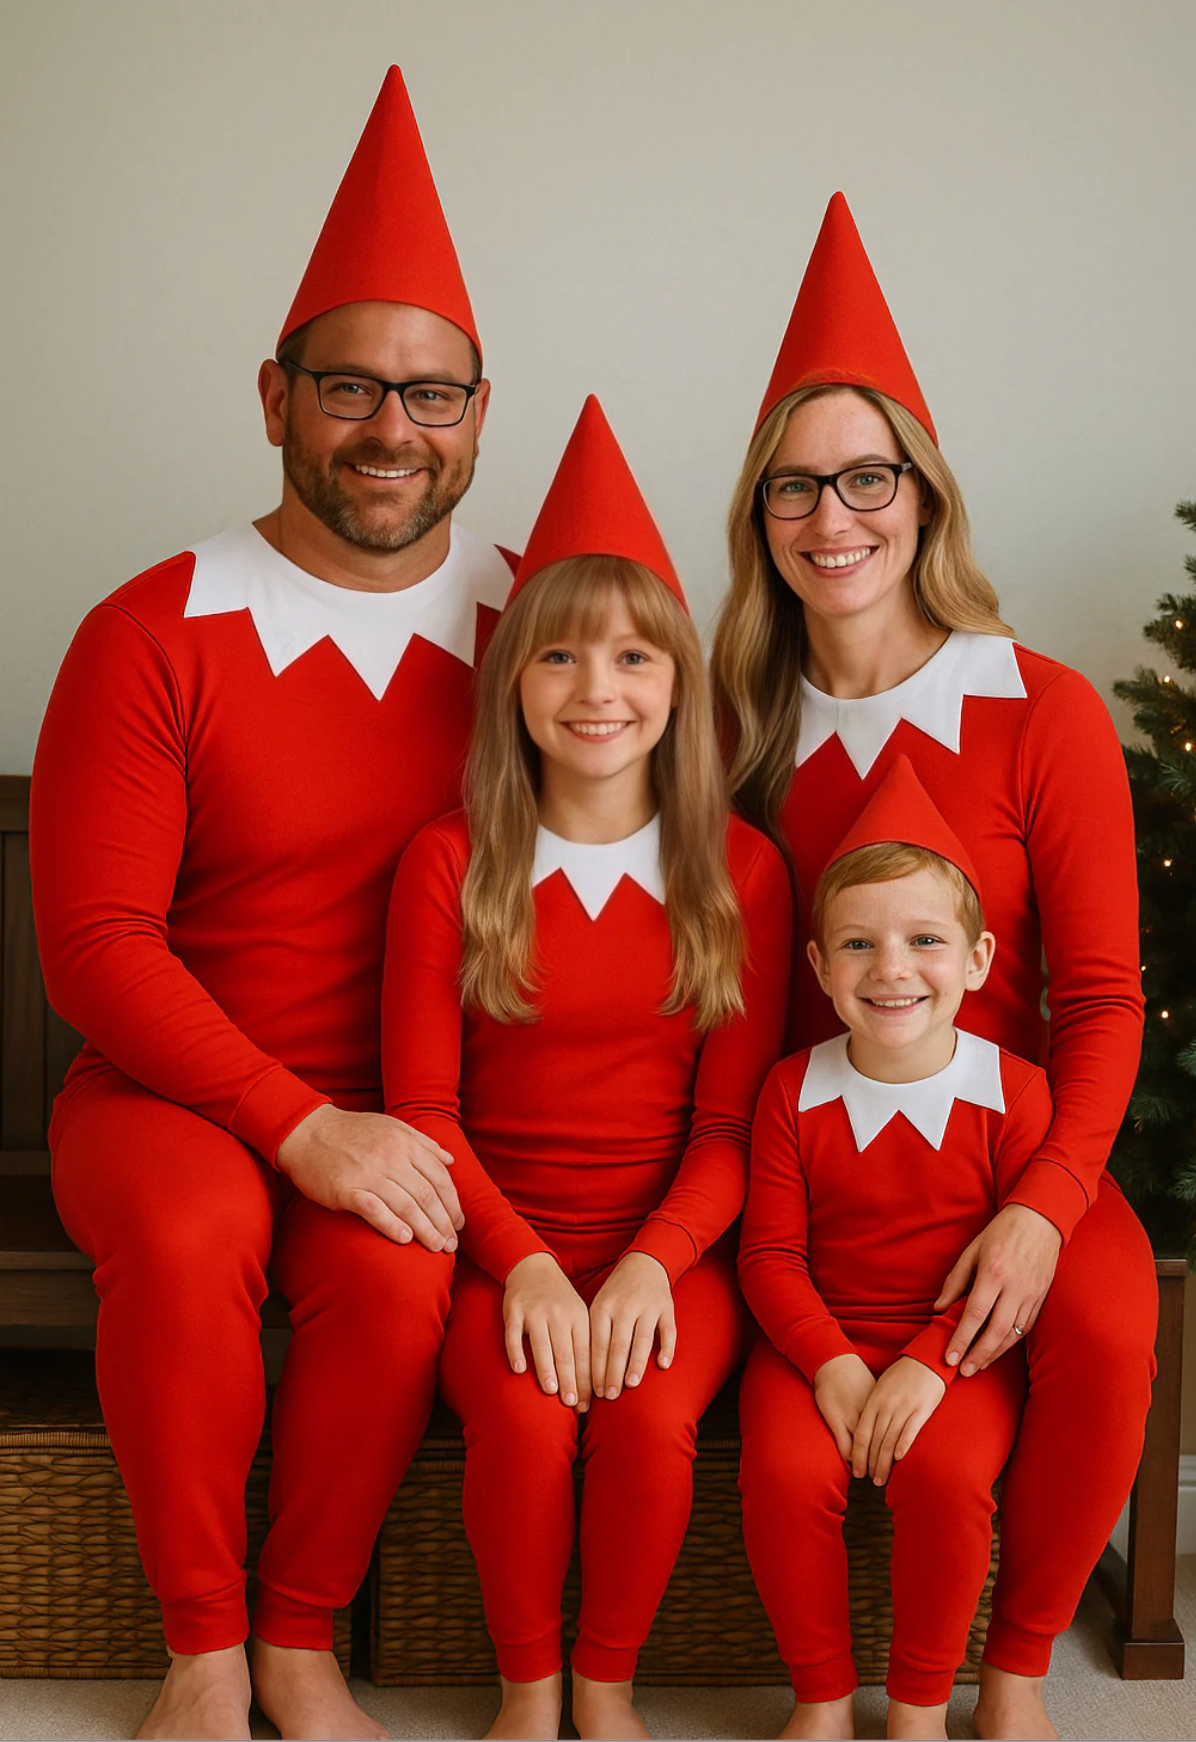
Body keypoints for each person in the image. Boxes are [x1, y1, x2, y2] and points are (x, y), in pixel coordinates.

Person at [29, 68, 515, 1742]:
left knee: (393, 1276)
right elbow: (93, 943)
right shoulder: (149, 629)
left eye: (430, 394)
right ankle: (204, 1645)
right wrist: (294, 1122)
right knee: (189, 1233)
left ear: (476, 411)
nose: (391, 429)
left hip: (415, 1106)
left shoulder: (551, 635)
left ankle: (301, 1637)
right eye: (349, 388)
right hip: (173, 1092)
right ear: (273, 397)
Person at [710, 193, 1158, 1742]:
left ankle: (1014, 1668)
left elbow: (1100, 997)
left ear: (922, 493)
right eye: (792, 488)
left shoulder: (1039, 709)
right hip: (813, 1154)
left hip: (1018, 1137)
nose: (831, 519)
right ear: (755, 515)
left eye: (864, 478)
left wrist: (1042, 1208)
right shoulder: (731, 725)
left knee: (1101, 1318)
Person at [382, 396, 791, 1742]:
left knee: (644, 1414)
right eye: (557, 656)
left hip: (673, 1246)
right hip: (498, 1242)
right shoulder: (451, 861)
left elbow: (732, 1123)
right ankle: (528, 1689)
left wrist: (647, 1263)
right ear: (512, 683)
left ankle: (605, 1688)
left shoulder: (738, 869)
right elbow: (424, 1110)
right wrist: (528, 1260)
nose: (596, 690)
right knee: (522, 1419)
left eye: (629, 657)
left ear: (676, 680)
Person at [739, 758, 1048, 1741]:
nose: (891, 967)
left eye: (924, 940)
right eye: (859, 944)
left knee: (949, 1481)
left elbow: (1012, 1278)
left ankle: (918, 1708)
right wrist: (829, 1363)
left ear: (977, 957)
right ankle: (822, 1697)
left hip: (957, 1352)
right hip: (812, 1342)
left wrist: (928, 1361)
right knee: (782, 1476)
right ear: (820, 966)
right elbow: (769, 1256)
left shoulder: (1017, 1092)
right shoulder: (791, 1089)